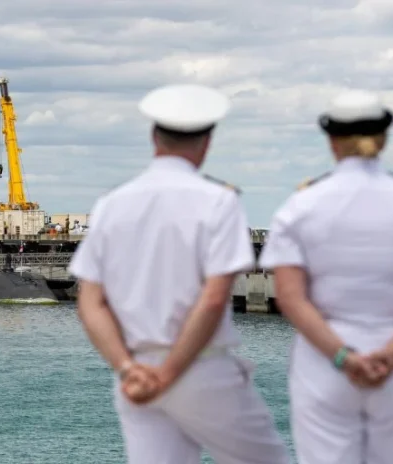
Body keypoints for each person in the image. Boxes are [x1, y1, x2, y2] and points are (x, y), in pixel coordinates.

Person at [68, 84, 289, 464]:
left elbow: (90, 302)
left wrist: (127, 369)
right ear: (207, 142)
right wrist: (171, 373)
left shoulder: (112, 204)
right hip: (201, 368)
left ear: (154, 137)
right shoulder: (219, 201)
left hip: (137, 370)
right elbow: (214, 299)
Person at [258, 90, 393, 464]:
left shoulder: (301, 206)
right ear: (383, 139)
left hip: (325, 363)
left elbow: (290, 297)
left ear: (331, 140)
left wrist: (343, 357)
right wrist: (391, 356)